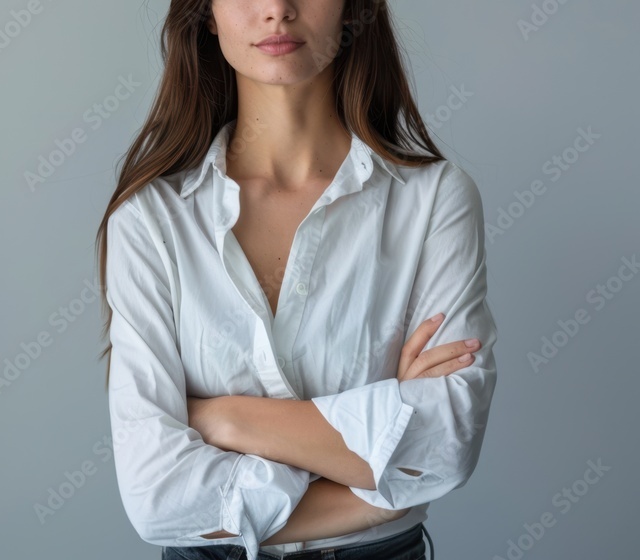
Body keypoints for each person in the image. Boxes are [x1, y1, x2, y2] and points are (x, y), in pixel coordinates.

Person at [94, 1, 498, 559]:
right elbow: (156, 497)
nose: (277, 10)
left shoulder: (434, 201)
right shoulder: (150, 220)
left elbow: (443, 446)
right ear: (207, 13)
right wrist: (379, 493)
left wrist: (223, 417)